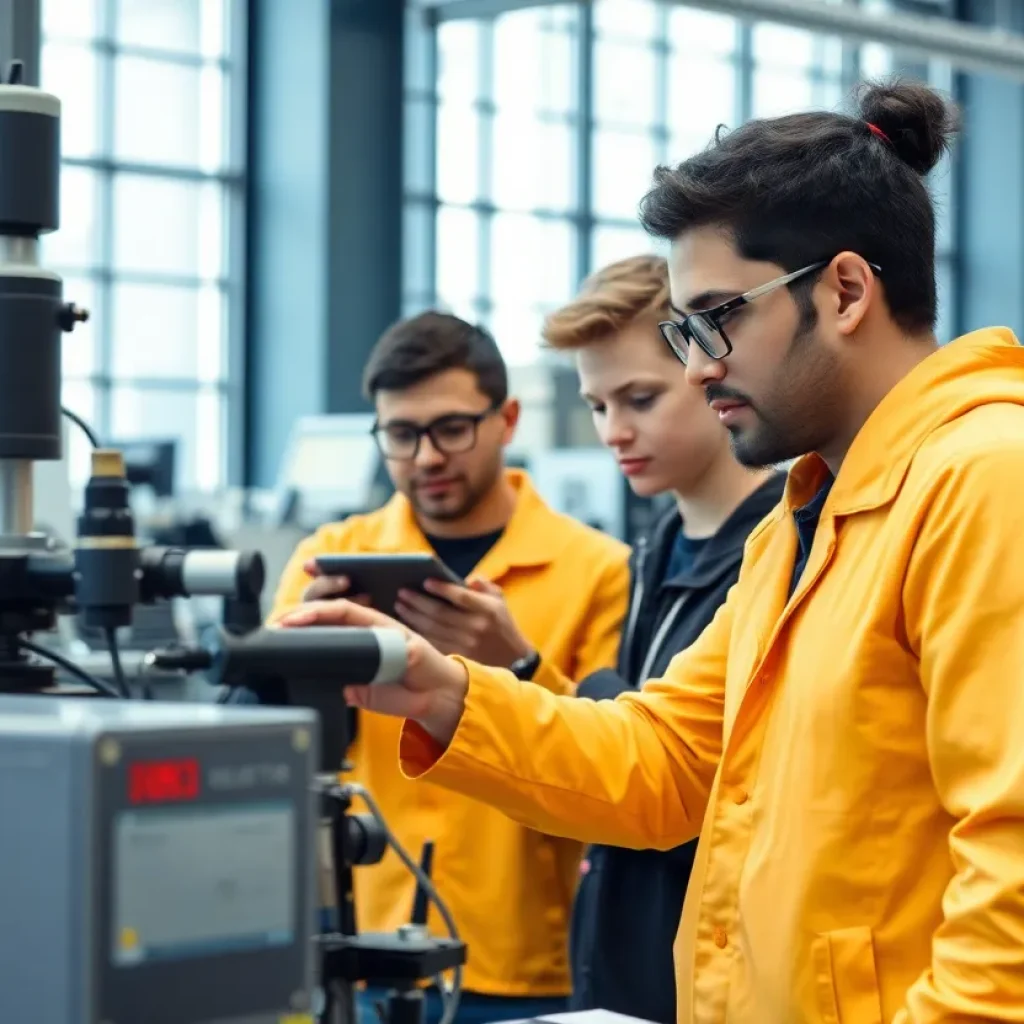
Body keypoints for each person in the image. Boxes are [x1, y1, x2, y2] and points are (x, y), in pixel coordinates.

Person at [281, 80, 1024, 1022]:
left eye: (716, 319)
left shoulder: (985, 483)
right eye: (683, 331)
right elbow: (669, 757)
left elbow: (1012, 891)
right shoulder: (798, 525)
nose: (699, 364)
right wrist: (443, 692)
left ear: (844, 290)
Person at [269, 311, 631, 1024]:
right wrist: (307, 660)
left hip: (525, 960)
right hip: (360, 941)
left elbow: (618, 767)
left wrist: (519, 665)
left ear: (507, 419)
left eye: (451, 429)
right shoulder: (329, 554)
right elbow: (283, 750)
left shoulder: (598, 571)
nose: (426, 457)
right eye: (401, 435)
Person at [540, 254, 784, 1024]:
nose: (614, 431)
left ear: (704, 364)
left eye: (639, 398)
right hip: (619, 954)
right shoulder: (658, 541)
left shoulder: (783, 549)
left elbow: (695, 763)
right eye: (597, 405)